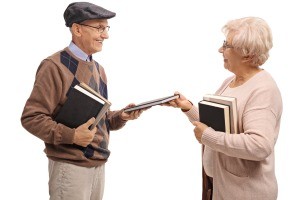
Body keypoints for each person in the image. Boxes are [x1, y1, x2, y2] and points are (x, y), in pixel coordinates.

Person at [21, 2, 145, 200]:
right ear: (77, 29)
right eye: (99, 28)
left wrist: (121, 116)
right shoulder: (53, 66)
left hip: (98, 165)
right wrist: (72, 136)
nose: (106, 35)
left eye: (106, 28)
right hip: (70, 168)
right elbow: (31, 118)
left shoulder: (99, 69)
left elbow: (97, 120)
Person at [165, 17, 282, 200]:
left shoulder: (263, 90)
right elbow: (220, 124)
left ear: (248, 54)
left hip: (246, 193)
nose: (221, 50)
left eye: (227, 46)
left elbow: (259, 145)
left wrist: (208, 137)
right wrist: (188, 108)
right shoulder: (230, 81)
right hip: (221, 186)